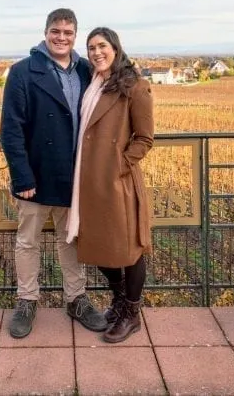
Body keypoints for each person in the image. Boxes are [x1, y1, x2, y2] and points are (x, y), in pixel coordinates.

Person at [0, 8, 108, 338]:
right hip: (36, 174)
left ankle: (76, 299)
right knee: (28, 241)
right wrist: (22, 177)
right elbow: (11, 128)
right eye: (56, 31)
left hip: (74, 176)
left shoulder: (89, 71)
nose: (62, 37)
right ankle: (27, 301)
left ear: (76, 35)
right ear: (46, 32)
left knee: (71, 239)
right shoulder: (23, 71)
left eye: (68, 32)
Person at [67, 26, 154, 343]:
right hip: (87, 181)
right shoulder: (93, 83)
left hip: (117, 183)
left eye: (101, 46)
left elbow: (144, 139)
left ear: (116, 48)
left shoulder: (134, 86)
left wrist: (119, 165)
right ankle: (119, 300)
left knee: (129, 250)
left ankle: (131, 313)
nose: (96, 52)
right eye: (90, 48)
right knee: (101, 247)